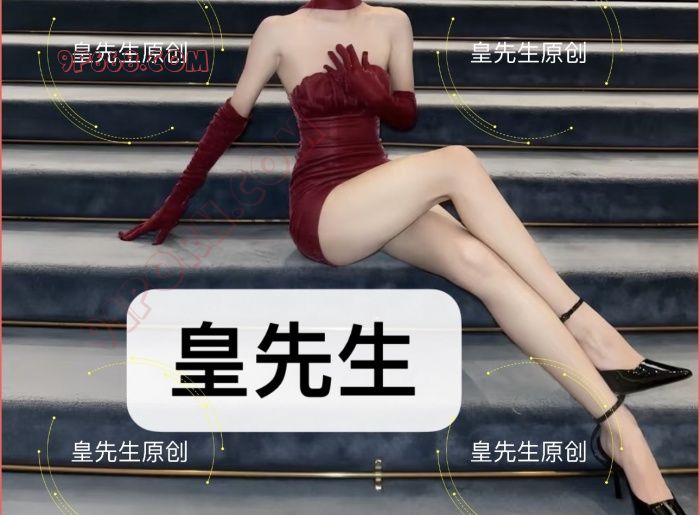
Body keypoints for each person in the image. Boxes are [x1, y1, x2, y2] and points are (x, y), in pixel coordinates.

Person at [118, 1, 691, 512]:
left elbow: (405, 115)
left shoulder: (392, 22)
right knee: (457, 162)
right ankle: (587, 327)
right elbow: (232, 118)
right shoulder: (279, 29)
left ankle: (617, 427)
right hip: (326, 208)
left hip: (382, 190)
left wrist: (375, 98)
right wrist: (176, 202)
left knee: (483, 265)